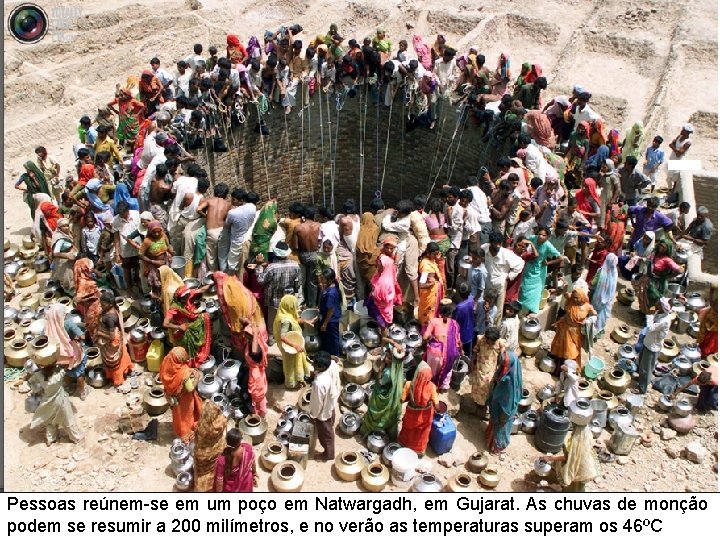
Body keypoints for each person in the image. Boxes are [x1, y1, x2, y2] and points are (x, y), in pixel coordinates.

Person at [213, 271, 269, 416]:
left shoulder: (254, 352)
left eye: (247, 335)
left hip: (255, 377)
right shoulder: (255, 345)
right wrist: (250, 325)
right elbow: (253, 332)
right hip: (255, 371)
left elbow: (253, 344)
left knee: (256, 396)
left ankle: (257, 414)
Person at [29, 363, 84, 446]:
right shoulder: (58, 375)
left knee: (51, 420)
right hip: (61, 400)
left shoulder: (38, 375)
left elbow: (32, 384)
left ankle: (51, 439)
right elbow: (68, 366)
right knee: (68, 419)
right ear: (52, 368)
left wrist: (38, 390)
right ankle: (76, 437)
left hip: (48, 401)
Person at [360, 342, 405, 438]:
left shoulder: (388, 373)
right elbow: (386, 340)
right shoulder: (396, 370)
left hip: (382, 394)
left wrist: (380, 370)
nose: (385, 358)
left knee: (375, 411)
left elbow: (380, 382)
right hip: (388, 391)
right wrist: (393, 343)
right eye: (386, 356)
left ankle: (373, 428)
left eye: (388, 358)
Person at [256, 241, 301, 335]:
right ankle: (285, 337)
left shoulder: (272, 267)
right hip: (288, 299)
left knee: (272, 320)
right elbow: (297, 284)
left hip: (273, 299)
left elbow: (260, 280)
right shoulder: (295, 265)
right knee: (286, 319)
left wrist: (259, 265)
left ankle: (272, 338)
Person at [45, 303, 88, 400]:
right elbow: (82, 336)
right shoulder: (68, 323)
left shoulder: (48, 326)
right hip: (71, 352)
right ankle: (82, 391)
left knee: (66, 370)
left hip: (58, 355)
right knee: (78, 372)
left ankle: (68, 387)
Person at [518, 227, 564, 314]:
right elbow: (522, 240)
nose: (541, 236)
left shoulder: (548, 245)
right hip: (528, 267)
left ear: (548, 237)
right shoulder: (532, 238)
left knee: (535, 291)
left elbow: (560, 258)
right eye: (540, 234)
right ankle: (522, 308)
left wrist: (548, 263)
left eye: (544, 235)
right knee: (524, 287)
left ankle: (531, 309)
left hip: (539, 271)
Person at [163, 286, 212, 368]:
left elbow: (201, 289)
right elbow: (165, 323)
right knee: (189, 344)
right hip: (185, 328)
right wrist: (178, 326)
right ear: (180, 299)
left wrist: (213, 281)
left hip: (193, 322)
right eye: (184, 298)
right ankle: (192, 360)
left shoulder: (189, 294)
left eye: (187, 296)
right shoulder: (175, 308)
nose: (187, 298)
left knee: (206, 317)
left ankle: (200, 350)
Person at [485, 347, 522, 454]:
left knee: (501, 429)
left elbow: (508, 403)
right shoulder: (508, 371)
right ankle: (490, 439)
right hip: (497, 405)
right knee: (494, 424)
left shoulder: (509, 382)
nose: (501, 366)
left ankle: (497, 447)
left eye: (503, 364)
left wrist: (504, 416)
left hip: (504, 411)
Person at [161, 347, 203, 440]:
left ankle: (178, 430)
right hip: (185, 399)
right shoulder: (184, 372)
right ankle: (186, 433)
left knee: (177, 415)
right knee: (186, 416)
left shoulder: (166, 364)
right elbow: (190, 388)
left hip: (172, 397)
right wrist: (196, 377)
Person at [550, 287, 596, 373]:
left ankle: (570, 370)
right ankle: (559, 368)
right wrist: (565, 287)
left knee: (571, 351)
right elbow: (566, 294)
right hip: (564, 328)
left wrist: (589, 320)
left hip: (575, 332)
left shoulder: (587, 307)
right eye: (574, 297)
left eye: (577, 298)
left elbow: (595, 314)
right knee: (561, 347)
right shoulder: (571, 301)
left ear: (582, 297)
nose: (575, 299)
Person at [398, 361, 439, 455]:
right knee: (422, 433)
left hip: (411, 414)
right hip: (425, 415)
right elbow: (437, 406)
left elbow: (402, 399)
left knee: (408, 429)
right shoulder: (432, 386)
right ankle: (418, 451)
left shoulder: (409, 384)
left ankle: (404, 445)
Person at [543, 422, 598, 492]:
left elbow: (566, 457)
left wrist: (550, 458)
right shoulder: (588, 435)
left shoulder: (575, 442)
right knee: (580, 485)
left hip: (577, 470)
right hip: (587, 468)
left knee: (570, 482)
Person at [95, 290, 133, 387]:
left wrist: (99, 333)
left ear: (109, 304)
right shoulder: (113, 310)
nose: (101, 305)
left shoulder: (110, 318)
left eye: (103, 304)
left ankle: (118, 379)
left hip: (112, 341)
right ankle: (127, 369)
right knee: (122, 354)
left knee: (114, 363)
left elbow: (111, 337)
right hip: (117, 336)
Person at [274, 294, 313, 390]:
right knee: (290, 366)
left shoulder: (284, 313)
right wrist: (295, 346)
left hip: (293, 344)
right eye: (294, 305)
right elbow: (282, 337)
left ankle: (298, 379)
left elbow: (294, 320)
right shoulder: (285, 320)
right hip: (290, 348)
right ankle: (291, 384)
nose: (296, 306)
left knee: (296, 363)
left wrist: (306, 321)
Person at [635, 239, 683, 315]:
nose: (661, 248)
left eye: (664, 247)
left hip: (657, 283)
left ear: (667, 249)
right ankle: (643, 312)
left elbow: (680, 270)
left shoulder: (667, 260)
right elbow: (648, 259)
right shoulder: (654, 254)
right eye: (660, 245)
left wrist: (667, 276)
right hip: (649, 280)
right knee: (644, 296)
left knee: (654, 298)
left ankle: (651, 315)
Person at [482, 231, 525, 315]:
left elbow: (521, 263)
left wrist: (509, 277)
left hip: (499, 286)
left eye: (499, 243)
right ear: (490, 243)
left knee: (498, 309)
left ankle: (496, 326)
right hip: (487, 284)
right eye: (495, 243)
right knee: (485, 306)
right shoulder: (484, 248)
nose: (498, 246)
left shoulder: (506, 254)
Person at [309, 351, 341, 461]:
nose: (313, 365)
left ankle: (329, 453)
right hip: (331, 401)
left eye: (315, 364)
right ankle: (330, 424)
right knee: (330, 417)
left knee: (325, 433)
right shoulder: (332, 365)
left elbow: (318, 403)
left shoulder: (319, 383)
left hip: (323, 411)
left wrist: (313, 415)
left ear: (321, 367)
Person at [637, 299, 674, 394]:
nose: (656, 303)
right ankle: (641, 379)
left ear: (662, 307)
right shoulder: (660, 313)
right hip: (648, 342)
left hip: (652, 347)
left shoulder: (664, 321)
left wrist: (649, 315)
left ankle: (642, 389)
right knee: (642, 363)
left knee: (646, 368)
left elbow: (650, 328)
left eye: (659, 303)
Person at [423, 302, 462, 392]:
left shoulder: (434, 321)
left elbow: (425, 337)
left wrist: (432, 337)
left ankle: (430, 388)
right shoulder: (455, 324)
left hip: (435, 353)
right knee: (448, 370)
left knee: (431, 372)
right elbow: (458, 341)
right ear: (451, 314)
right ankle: (443, 387)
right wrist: (460, 351)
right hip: (450, 354)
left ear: (440, 313)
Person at [365, 236, 402, 329]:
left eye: (391, 248)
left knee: (383, 320)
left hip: (385, 290)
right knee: (382, 318)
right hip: (383, 291)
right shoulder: (383, 260)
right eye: (387, 247)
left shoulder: (389, 261)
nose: (389, 250)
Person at [193, 401, 228, 492]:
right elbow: (224, 420)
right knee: (216, 470)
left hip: (201, 454)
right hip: (216, 451)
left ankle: (202, 487)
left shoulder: (201, 425)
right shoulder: (218, 425)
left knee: (202, 474)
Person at [470, 326, 504, 417]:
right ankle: (477, 404)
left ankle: (484, 406)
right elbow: (475, 350)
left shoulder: (500, 343)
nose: (491, 343)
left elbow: (502, 358)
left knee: (487, 389)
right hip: (479, 367)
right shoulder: (481, 339)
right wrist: (472, 362)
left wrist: (500, 371)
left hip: (491, 371)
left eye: (493, 341)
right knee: (477, 386)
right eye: (489, 340)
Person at [213, 428, 258, 492]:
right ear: (240, 440)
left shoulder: (222, 459)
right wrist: (254, 472)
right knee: (249, 475)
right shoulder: (248, 449)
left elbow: (219, 480)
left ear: (227, 441)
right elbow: (253, 462)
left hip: (229, 487)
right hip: (244, 483)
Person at [139, 221, 173, 298]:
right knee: (156, 285)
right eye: (154, 232)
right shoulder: (147, 241)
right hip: (154, 266)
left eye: (158, 231)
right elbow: (140, 255)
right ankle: (157, 300)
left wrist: (170, 250)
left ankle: (166, 298)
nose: (157, 234)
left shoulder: (163, 236)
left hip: (165, 263)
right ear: (150, 231)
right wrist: (153, 261)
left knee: (166, 281)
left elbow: (168, 245)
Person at [417, 242, 445, 326]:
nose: (436, 256)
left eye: (437, 253)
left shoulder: (431, 260)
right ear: (428, 253)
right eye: (434, 254)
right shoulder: (426, 266)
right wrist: (431, 284)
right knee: (428, 316)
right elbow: (421, 284)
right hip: (430, 295)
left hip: (435, 293)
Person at [591, 253, 618, 336]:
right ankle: (599, 330)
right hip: (608, 300)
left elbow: (593, 283)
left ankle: (592, 331)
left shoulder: (601, 272)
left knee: (594, 313)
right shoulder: (615, 273)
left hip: (597, 298)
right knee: (602, 316)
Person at [50, 218, 78, 294]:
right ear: (59, 227)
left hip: (69, 257)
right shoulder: (60, 239)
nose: (67, 227)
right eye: (64, 226)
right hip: (63, 261)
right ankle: (70, 293)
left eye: (67, 225)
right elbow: (55, 253)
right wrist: (67, 256)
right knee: (68, 277)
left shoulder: (66, 233)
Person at [318, 268, 342, 356]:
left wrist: (324, 324)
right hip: (329, 318)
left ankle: (336, 357)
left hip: (330, 320)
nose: (321, 280)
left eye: (323, 279)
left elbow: (330, 310)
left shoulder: (330, 293)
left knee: (332, 340)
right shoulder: (329, 288)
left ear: (330, 280)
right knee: (328, 339)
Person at [453, 282, 475, 356]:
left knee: (460, 355)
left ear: (459, 293)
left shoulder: (459, 307)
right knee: (468, 354)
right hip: (470, 332)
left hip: (462, 336)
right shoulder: (471, 299)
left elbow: (455, 322)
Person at [697, 285, 718, 359]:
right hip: (712, 319)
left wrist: (711, 292)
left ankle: (706, 356)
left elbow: (713, 304)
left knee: (710, 341)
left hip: (715, 324)